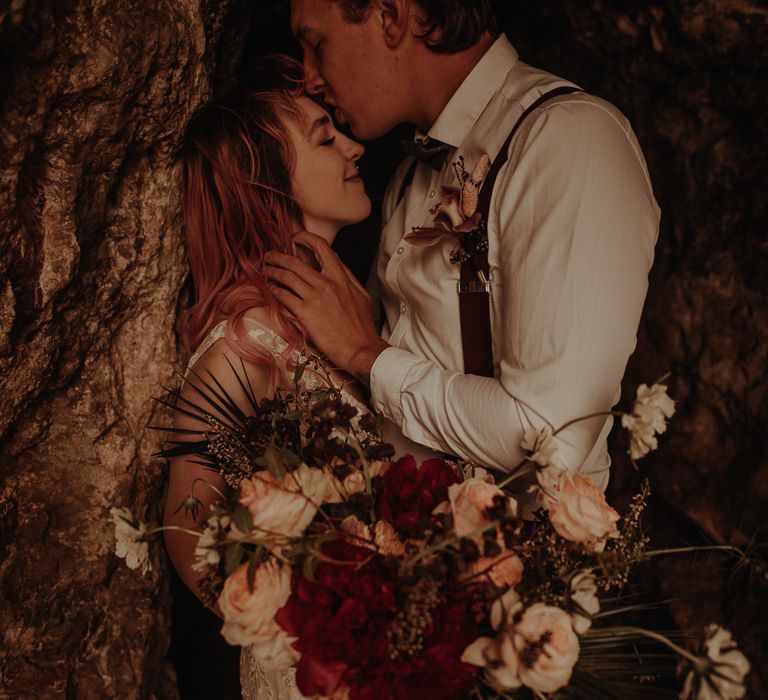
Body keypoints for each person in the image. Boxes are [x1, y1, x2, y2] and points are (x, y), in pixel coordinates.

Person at [265, 0, 661, 495]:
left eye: (317, 44)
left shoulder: (569, 140)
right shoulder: (410, 175)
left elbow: (550, 439)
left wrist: (367, 354)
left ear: (389, 16)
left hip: (520, 562)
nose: (308, 78)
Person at [163, 55, 369, 700]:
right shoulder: (249, 339)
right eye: (325, 139)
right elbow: (183, 521)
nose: (354, 146)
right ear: (269, 184)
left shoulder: (337, 310)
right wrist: (289, 623)